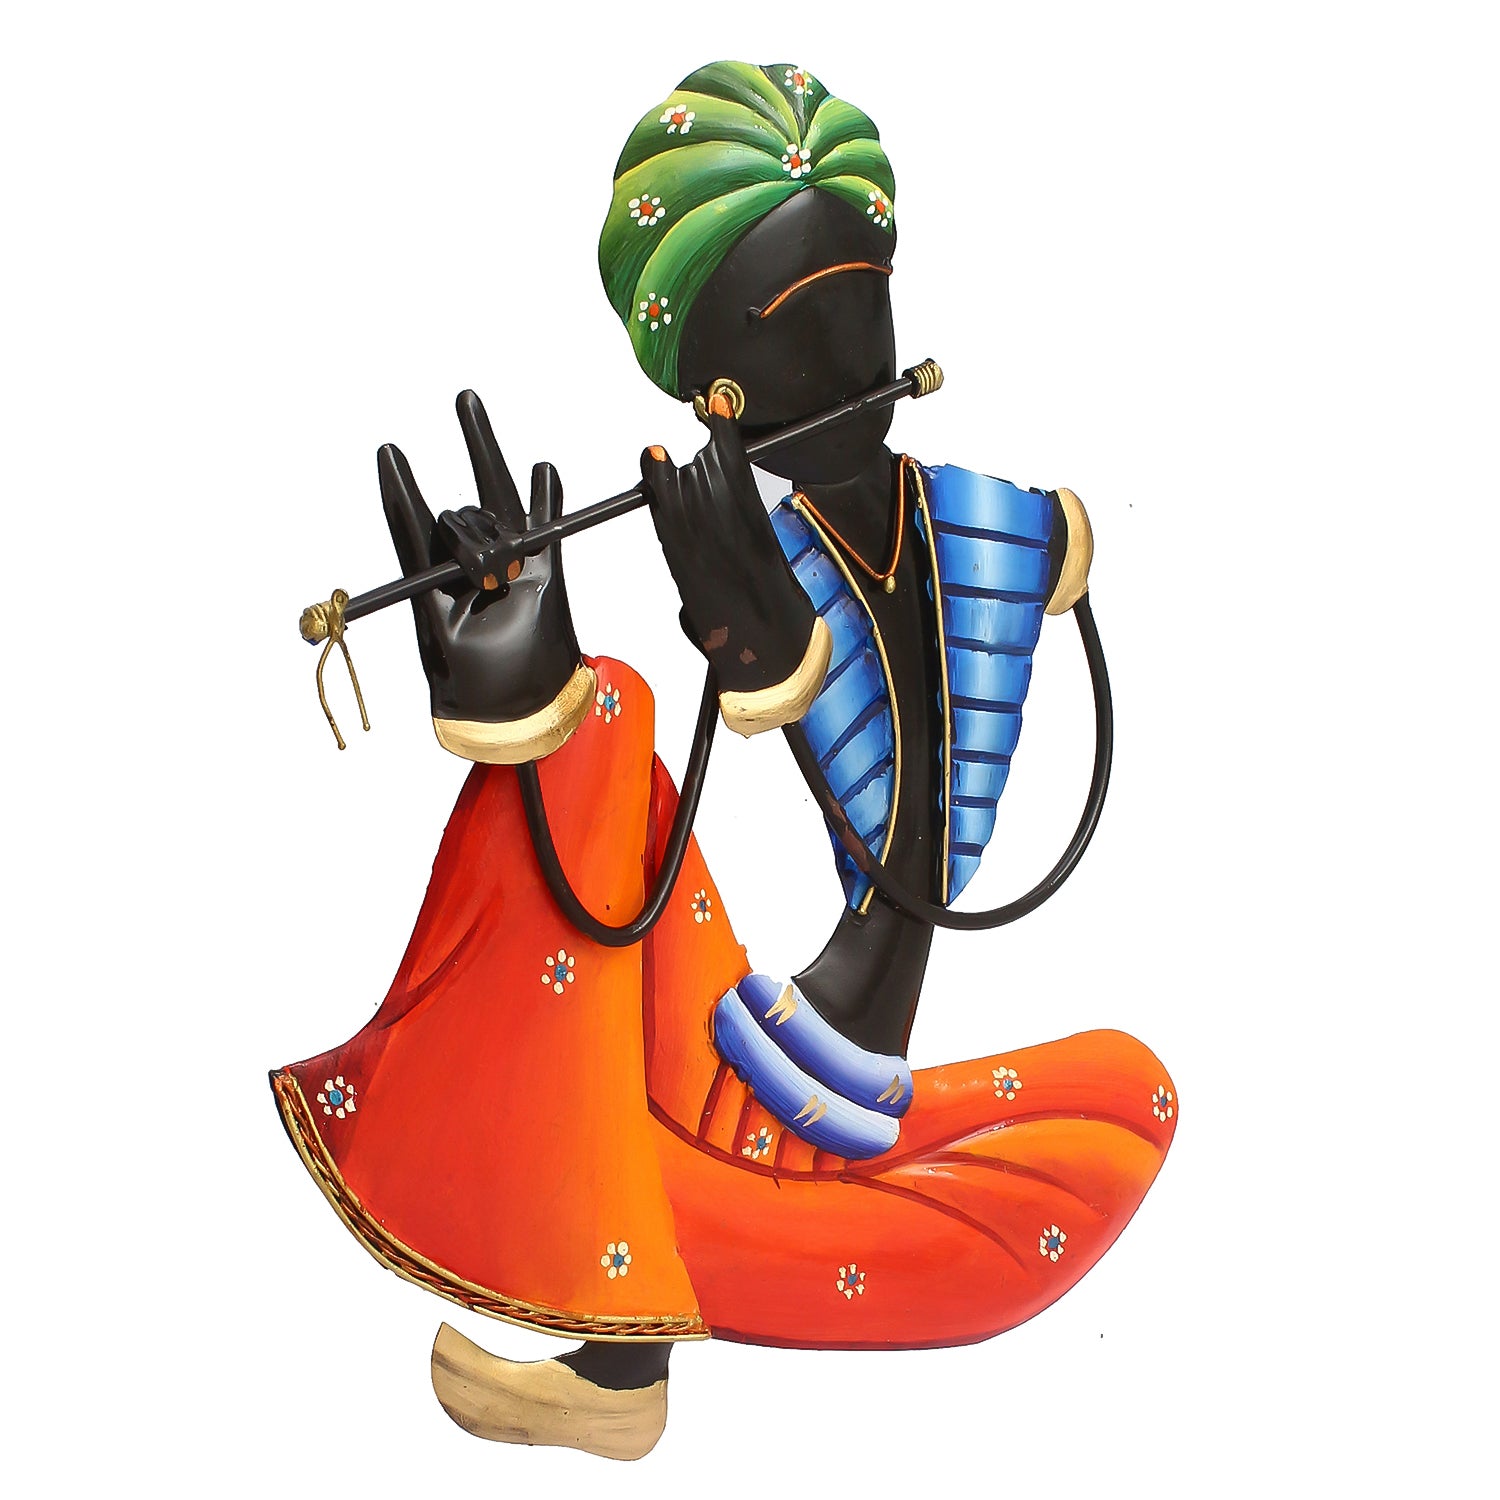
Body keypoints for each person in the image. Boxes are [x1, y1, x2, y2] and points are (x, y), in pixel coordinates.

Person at [271, 60, 1176, 1461]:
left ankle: (623, 1332)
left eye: (862, 299)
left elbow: (917, 868)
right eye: (784, 330)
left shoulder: (974, 523)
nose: (846, 356)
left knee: (1133, 1089)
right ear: (717, 395)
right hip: (753, 1097)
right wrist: (559, 703)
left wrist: (779, 654)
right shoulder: (782, 540)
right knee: (612, 717)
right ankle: (617, 1350)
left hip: (824, 1111)